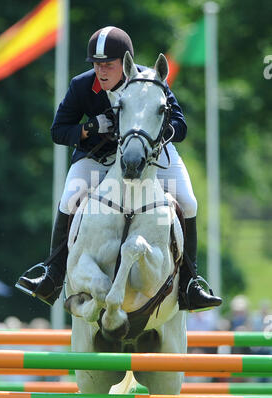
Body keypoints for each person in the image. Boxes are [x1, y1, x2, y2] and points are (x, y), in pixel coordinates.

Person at [16, 26, 222, 312]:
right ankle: (52, 274)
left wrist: (151, 134)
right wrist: (90, 128)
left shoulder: (151, 81)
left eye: (108, 64)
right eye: (97, 64)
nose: (101, 71)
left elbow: (180, 125)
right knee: (69, 199)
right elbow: (58, 131)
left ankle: (190, 283)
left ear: (124, 64)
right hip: (98, 157)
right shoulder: (81, 85)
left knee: (187, 201)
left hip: (150, 155)